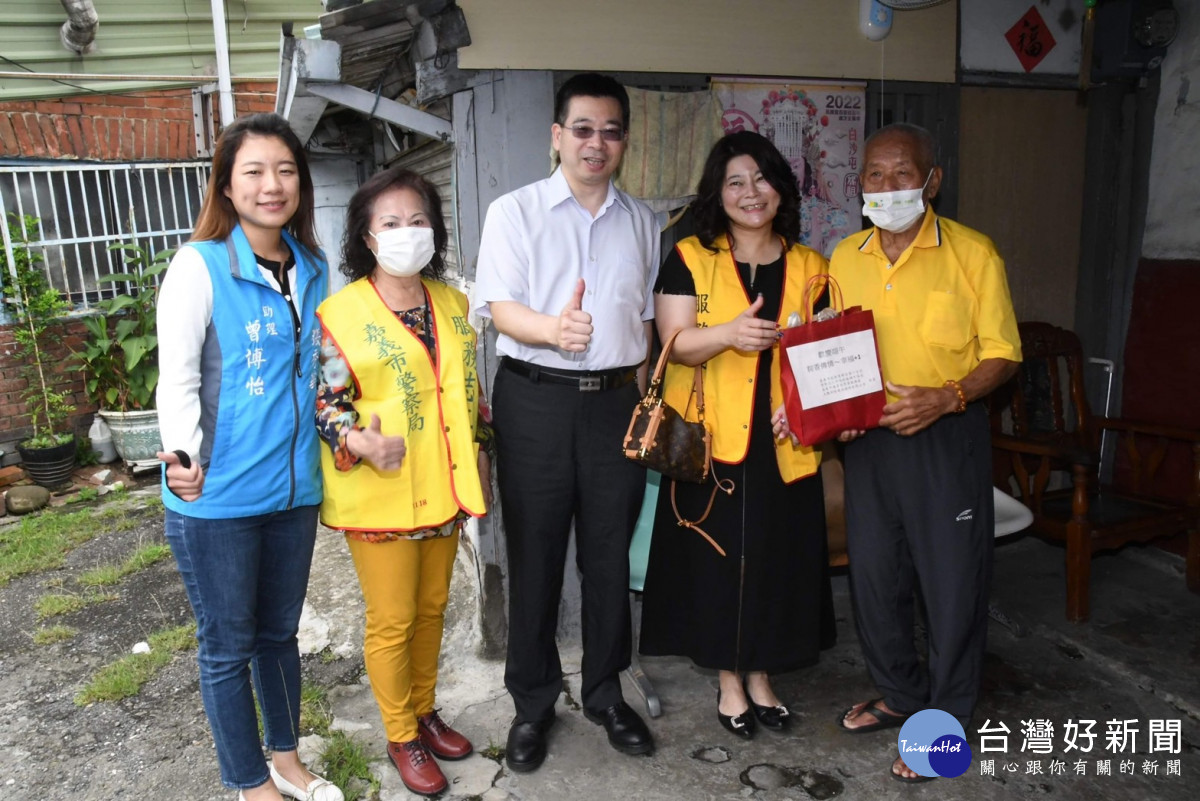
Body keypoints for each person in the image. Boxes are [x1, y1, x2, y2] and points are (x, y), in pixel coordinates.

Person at [473, 72, 660, 772]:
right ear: (557, 135)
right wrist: (555, 328)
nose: (596, 143)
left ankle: (608, 693)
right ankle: (533, 703)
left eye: (611, 130)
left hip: (615, 403)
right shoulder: (514, 212)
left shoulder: (642, 221)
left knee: (609, 555)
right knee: (536, 555)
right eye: (582, 128)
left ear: (623, 141)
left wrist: (643, 398)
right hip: (536, 399)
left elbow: (642, 324)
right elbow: (500, 307)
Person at [155, 113, 342, 801]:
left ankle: (287, 758)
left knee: (279, 633)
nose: (273, 184)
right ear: (228, 187)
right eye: (255, 171)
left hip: (293, 493)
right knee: (228, 644)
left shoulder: (316, 269)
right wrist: (181, 453)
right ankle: (247, 780)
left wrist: (352, 434)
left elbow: (328, 373)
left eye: (286, 170)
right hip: (219, 497)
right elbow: (175, 377)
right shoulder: (199, 265)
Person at [829, 122, 1021, 783]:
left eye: (902, 173)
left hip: (946, 438)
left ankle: (945, 722)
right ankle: (900, 692)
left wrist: (946, 397)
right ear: (860, 186)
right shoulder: (844, 255)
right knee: (876, 579)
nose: (888, 187)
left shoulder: (973, 253)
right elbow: (837, 351)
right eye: (874, 176)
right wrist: (840, 415)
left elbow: (1003, 352)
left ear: (932, 180)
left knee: (951, 584)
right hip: (870, 444)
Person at [639, 130, 832, 740]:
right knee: (719, 564)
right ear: (717, 195)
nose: (752, 193)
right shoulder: (692, 257)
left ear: (782, 187)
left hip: (783, 440)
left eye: (763, 178)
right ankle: (729, 681)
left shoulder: (811, 267)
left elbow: (828, 352)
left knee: (776, 561)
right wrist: (728, 334)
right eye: (736, 182)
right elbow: (671, 344)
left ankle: (763, 676)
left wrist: (803, 406)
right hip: (711, 441)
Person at [314, 167, 492, 797]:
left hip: (443, 484)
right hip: (379, 493)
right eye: (390, 223)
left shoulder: (453, 303)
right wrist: (356, 438)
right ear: (366, 236)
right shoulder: (338, 313)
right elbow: (325, 400)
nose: (406, 232)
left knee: (433, 608)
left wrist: (485, 449)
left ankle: (424, 709)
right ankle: (401, 734)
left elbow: (467, 393)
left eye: (418, 220)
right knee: (391, 619)